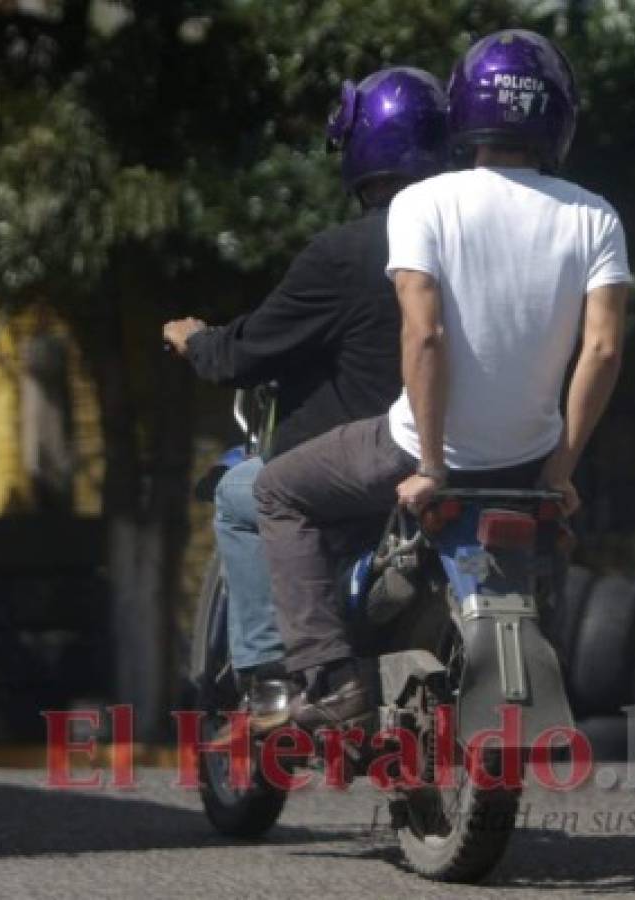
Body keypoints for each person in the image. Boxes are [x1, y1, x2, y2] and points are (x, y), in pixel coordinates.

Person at [254, 29, 632, 731]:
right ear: (558, 116)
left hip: (415, 447)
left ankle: (328, 676)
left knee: (275, 492)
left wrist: (430, 463)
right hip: (526, 462)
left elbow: (423, 334)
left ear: (464, 111)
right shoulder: (595, 216)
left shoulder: (421, 204)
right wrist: (560, 468)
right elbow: (603, 351)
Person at [162, 67, 449, 726]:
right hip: (478, 451)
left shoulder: (346, 253)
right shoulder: (469, 239)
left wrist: (194, 340)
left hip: (372, 466)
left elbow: (245, 352)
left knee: (242, 494)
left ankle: (273, 680)